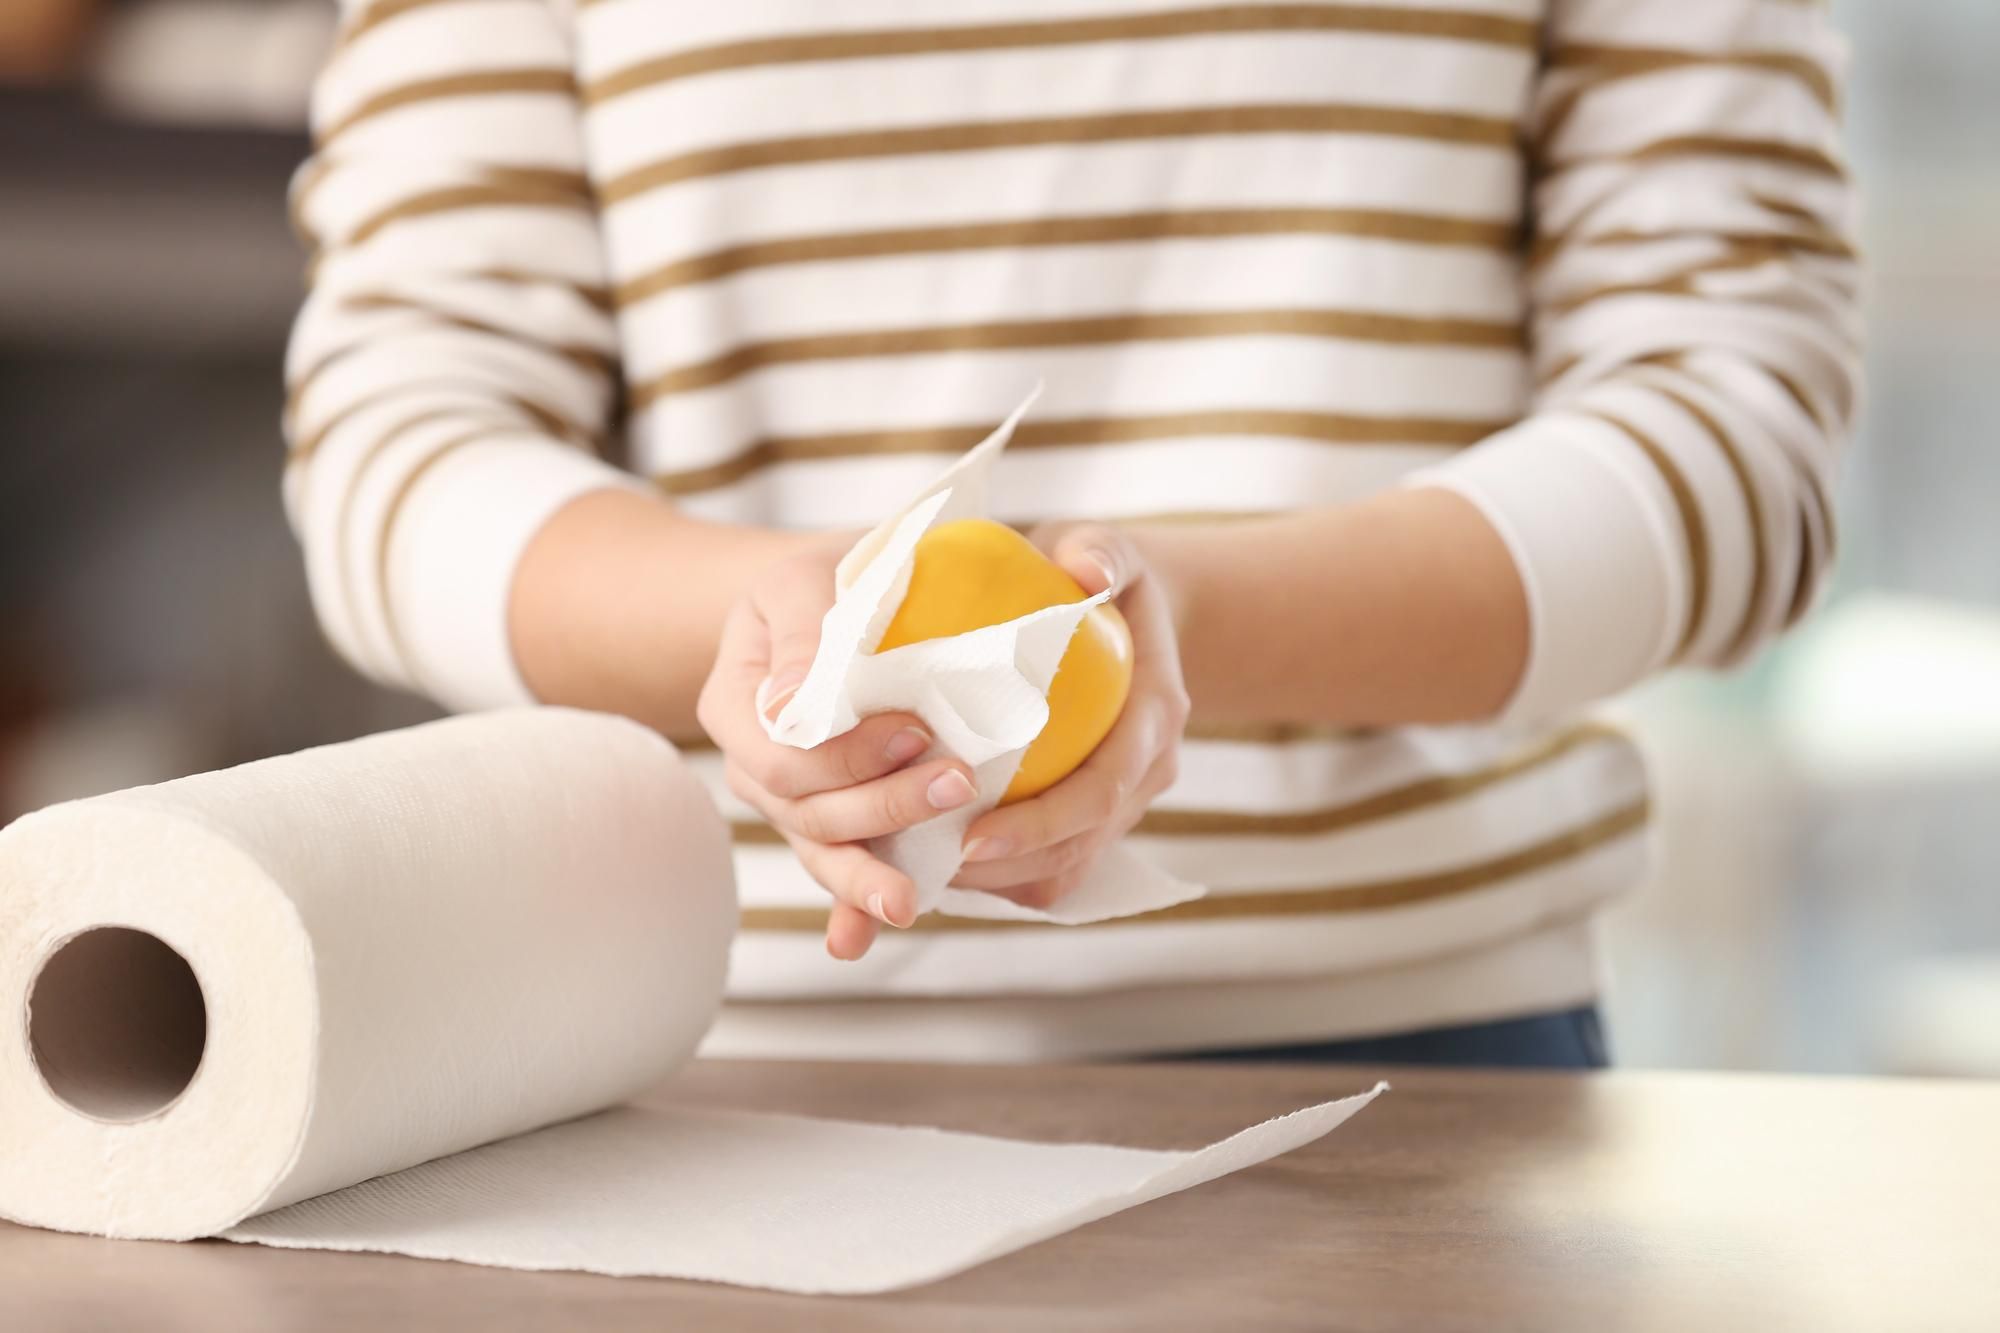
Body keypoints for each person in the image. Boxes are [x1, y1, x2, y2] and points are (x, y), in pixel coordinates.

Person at [284, 0, 1858, 1067]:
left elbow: (1738, 417)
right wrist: (775, 633)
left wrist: (1126, 628)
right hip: (712, 1067)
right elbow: (400, 434)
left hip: (1422, 1076)